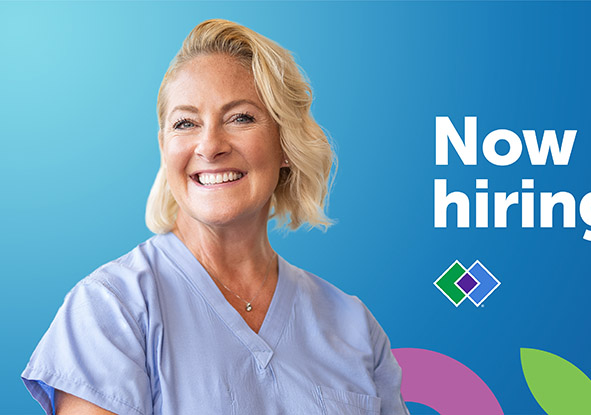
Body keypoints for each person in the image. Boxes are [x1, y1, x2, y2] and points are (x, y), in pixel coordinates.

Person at [21, 18, 409, 415]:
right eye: (185, 123)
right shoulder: (111, 308)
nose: (209, 146)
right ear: (164, 147)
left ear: (286, 143)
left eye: (240, 117)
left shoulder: (354, 327)